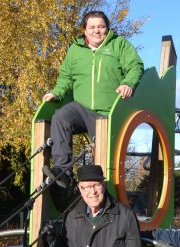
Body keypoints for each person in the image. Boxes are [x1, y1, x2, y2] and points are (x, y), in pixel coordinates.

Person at [41, 11, 144, 188]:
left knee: (103, 156)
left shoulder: (118, 44)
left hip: (107, 112)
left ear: (107, 29)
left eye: (101, 27)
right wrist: (56, 92)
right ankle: (63, 171)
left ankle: (103, 191)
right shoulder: (75, 50)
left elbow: (135, 66)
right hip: (81, 108)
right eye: (92, 27)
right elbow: (66, 76)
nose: (97, 31)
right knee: (60, 117)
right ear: (85, 30)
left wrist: (128, 83)